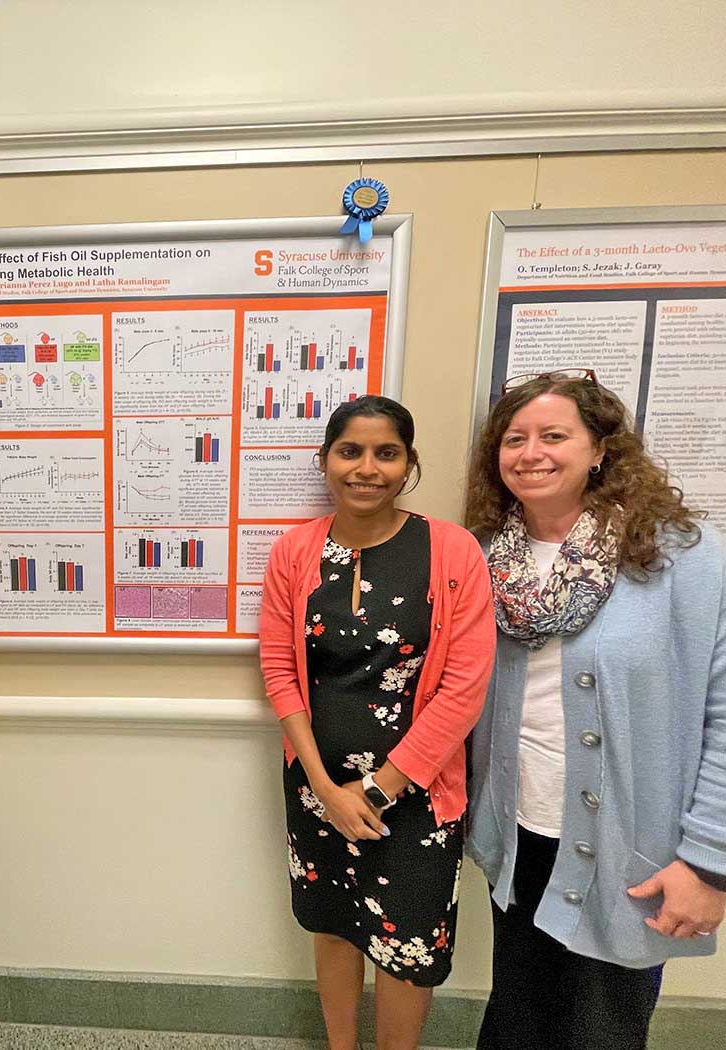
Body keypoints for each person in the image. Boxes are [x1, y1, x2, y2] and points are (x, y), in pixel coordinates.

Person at [463, 369, 726, 1050]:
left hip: (632, 850)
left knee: (603, 1030)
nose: (531, 452)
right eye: (514, 439)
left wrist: (712, 863)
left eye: (554, 435)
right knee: (517, 1017)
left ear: (601, 449)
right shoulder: (489, 559)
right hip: (521, 839)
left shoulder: (682, 560)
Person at [259, 396, 496, 1050]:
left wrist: (381, 788)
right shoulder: (293, 551)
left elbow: (464, 686)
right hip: (317, 789)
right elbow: (280, 670)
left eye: (386, 453)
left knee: (405, 947)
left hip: (415, 796)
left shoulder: (450, 551)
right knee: (334, 927)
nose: (367, 468)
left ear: (408, 464)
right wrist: (323, 785)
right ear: (326, 461)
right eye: (350, 451)